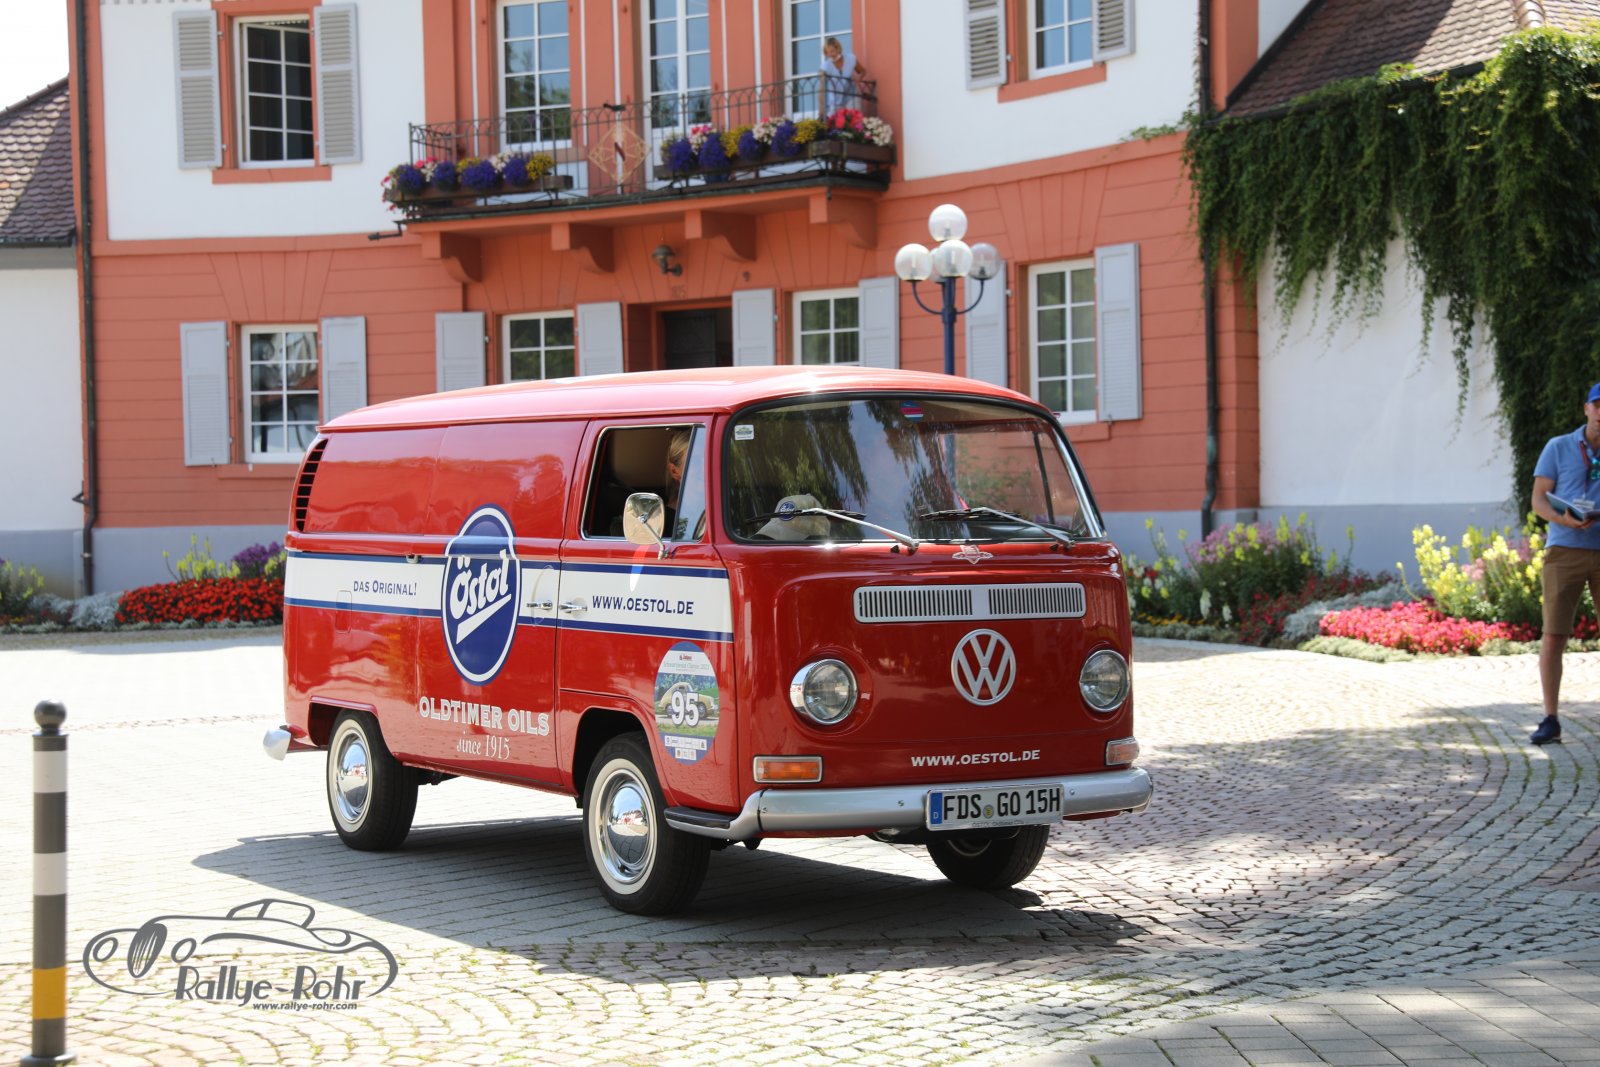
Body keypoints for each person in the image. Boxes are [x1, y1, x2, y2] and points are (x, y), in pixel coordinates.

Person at [1528, 382, 1600, 745]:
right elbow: (1539, 500)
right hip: (1564, 550)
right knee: (1554, 634)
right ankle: (1550, 718)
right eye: (1598, 406)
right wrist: (1564, 519)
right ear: (1586, 408)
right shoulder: (1558, 447)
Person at [818, 37, 866, 114]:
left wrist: (858, 78)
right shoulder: (825, 67)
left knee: (855, 118)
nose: (830, 55)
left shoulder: (851, 59)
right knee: (835, 120)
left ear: (838, 49)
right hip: (835, 101)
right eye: (827, 53)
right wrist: (821, 111)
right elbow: (821, 89)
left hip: (852, 96)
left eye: (832, 51)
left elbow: (862, 71)